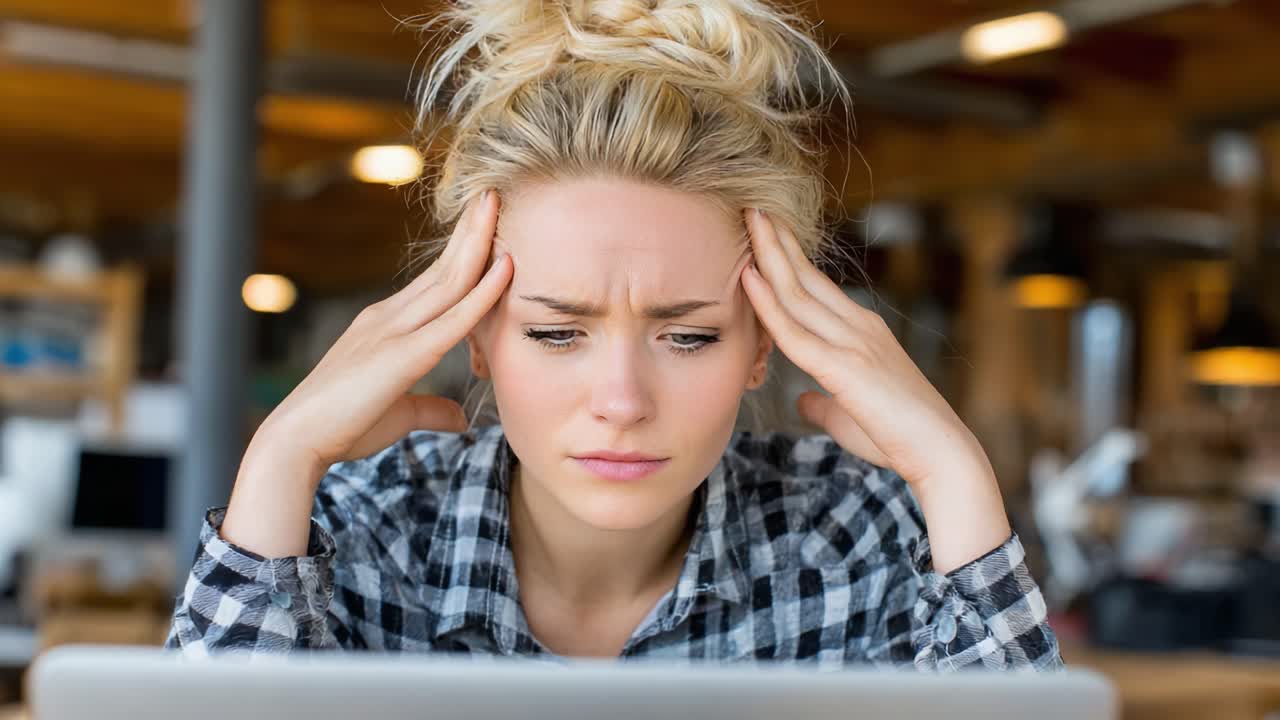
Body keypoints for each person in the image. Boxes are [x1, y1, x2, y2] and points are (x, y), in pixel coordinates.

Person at [165, 0, 1063, 670]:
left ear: (763, 345)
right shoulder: (359, 529)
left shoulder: (850, 537)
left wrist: (954, 470)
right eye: (557, 334)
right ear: (478, 339)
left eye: (689, 338)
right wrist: (280, 456)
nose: (623, 404)